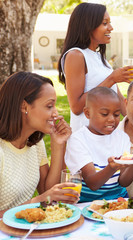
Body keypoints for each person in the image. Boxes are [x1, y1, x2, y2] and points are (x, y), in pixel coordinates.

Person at [0, 72, 77, 217]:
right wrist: (38, 201)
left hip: (26, 229)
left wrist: (58, 145)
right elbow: (44, 197)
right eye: (49, 106)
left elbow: (48, 191)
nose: (56, 113)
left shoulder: (35, 144)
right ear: (24, 106)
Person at [58, 2, 133, 132]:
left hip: (107, 134)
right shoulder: (76, 55)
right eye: (105, 23)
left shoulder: (99, 57)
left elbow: (120, 100)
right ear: (88, 26)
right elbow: (76, 107)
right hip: (87, 138)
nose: (111, 28)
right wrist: (112, 79)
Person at [65, 87, 133, 202]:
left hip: (118, 201)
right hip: (87, 203)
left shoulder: (122, 138)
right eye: (104, 114)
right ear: (87, 113)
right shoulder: (78, 140)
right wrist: (112, 167)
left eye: (117, 114)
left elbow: (124, 182)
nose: (112, 119)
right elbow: (93, 184)